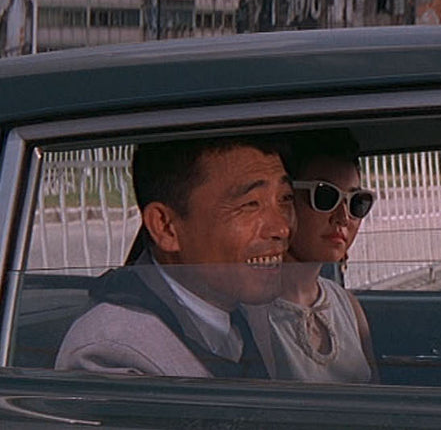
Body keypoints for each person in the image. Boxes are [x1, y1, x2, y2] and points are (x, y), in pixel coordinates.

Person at [56, 136, 295, 378]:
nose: (282, 228)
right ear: (166, 227)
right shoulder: (115, 350)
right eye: (250, 204)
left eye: (285, 198)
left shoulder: (254, 310)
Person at [264, 130, 380, 383]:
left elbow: (377, 397)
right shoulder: (252, 315)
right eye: (324, 196)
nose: (343, 217)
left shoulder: (348, 306)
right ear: (284, 201)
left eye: (357, 202)